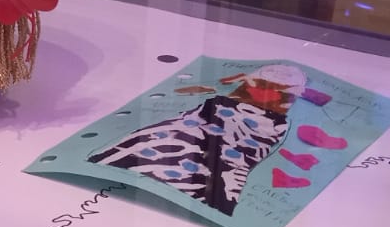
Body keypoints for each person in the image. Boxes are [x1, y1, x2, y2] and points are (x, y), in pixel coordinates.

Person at [88, 64, 336, 215]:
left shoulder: (271, 121)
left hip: (241, 138)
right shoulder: (226, 100)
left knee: (221, 169)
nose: (265, 92)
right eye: (259, 85)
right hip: (198, 130)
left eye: (277, 91)